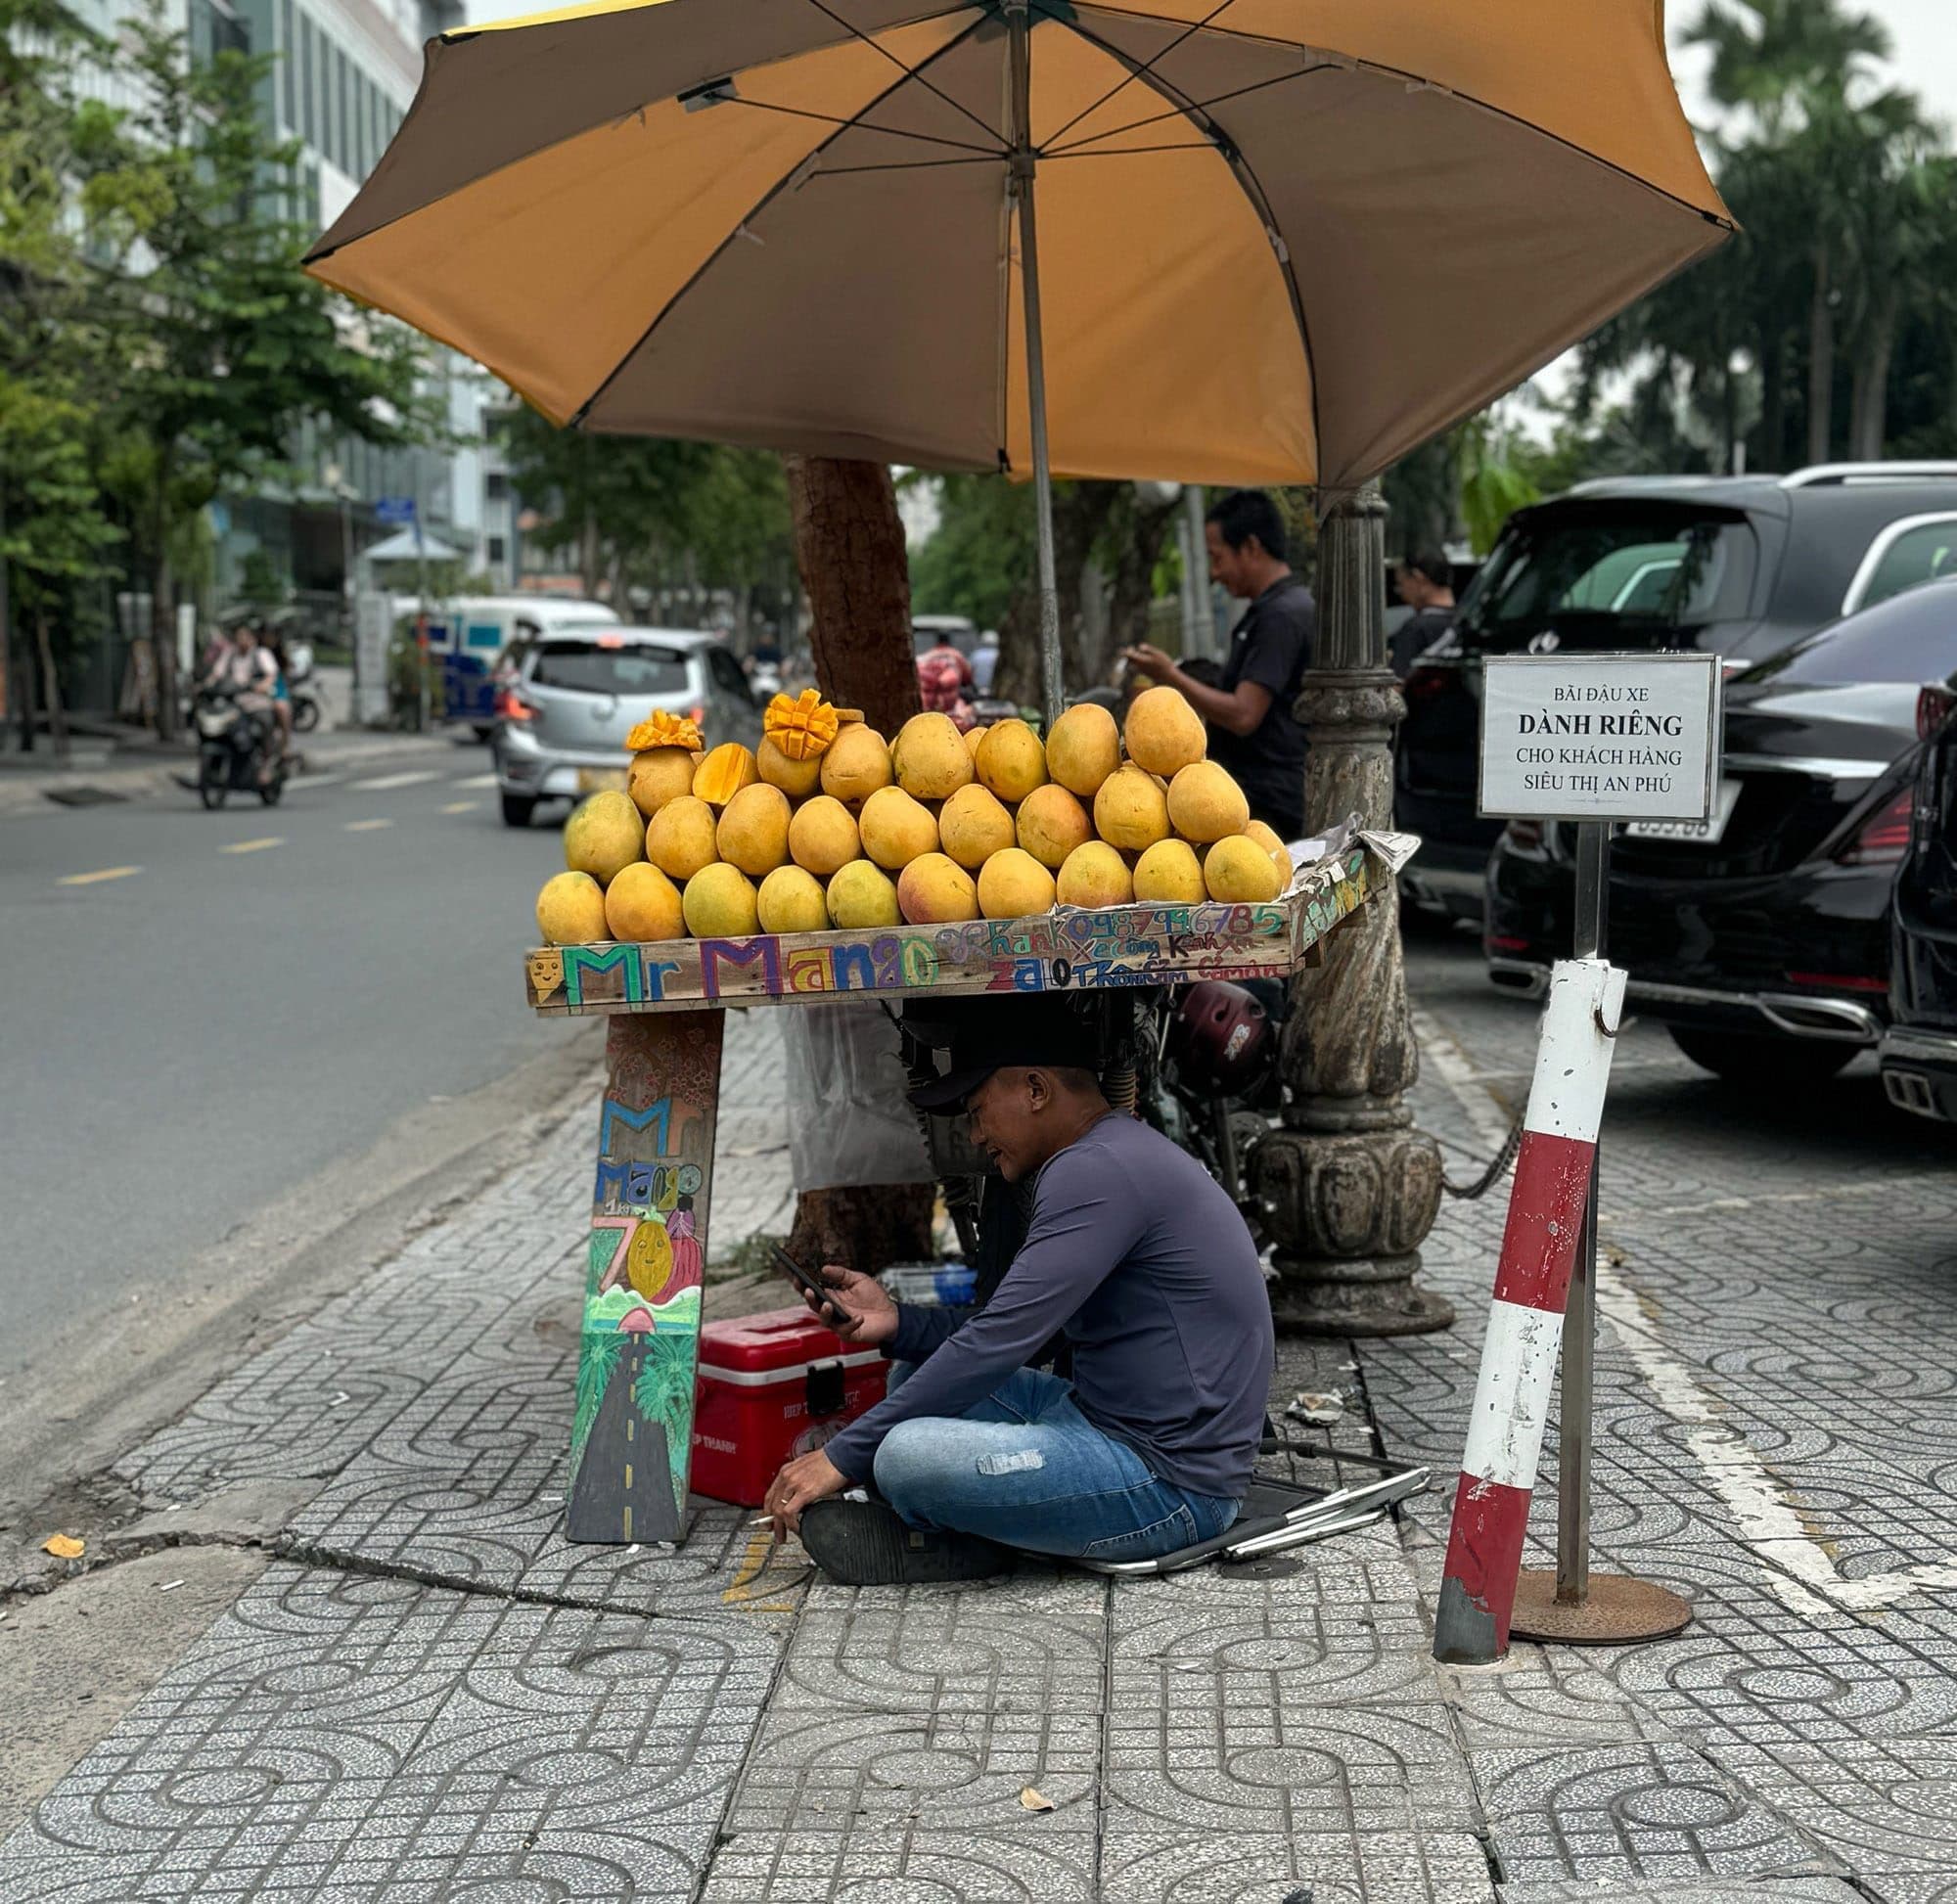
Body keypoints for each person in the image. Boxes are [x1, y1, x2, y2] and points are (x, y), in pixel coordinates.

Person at [760, 1003, 1276, 1584]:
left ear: (1035, 1089)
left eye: (979, 1112)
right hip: (1098, 1421)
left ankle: (980, 1541)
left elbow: (1001, 1340)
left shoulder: (1093, 1171)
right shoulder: (1104, 1153)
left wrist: (839, 1457)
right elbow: (1027, 1333)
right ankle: (991, 1523)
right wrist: (898, 1323)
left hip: (1168, 1485)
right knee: (912, 1377)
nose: (977, 1137)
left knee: (906, 1456)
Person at [1122, 488, 1314, 839]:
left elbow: (1244, 714)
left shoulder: (1282, 616)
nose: (1214, 572)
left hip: (1269, 798)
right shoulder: (1274, 609)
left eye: (1217, 557)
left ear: (1252, 547)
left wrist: (1170, 676)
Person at [1391, 550, 1457, 679]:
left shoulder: (1415, 630)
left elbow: (1395, 688)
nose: (1401, 593)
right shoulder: (1470, 624)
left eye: (1401, 584)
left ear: (1418, 578)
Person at [916, 628, 975, 725]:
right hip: (948, 708)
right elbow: (968, 678)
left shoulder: (928, 654)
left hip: (926, 706)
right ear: (949, 641)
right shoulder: (955, 655)